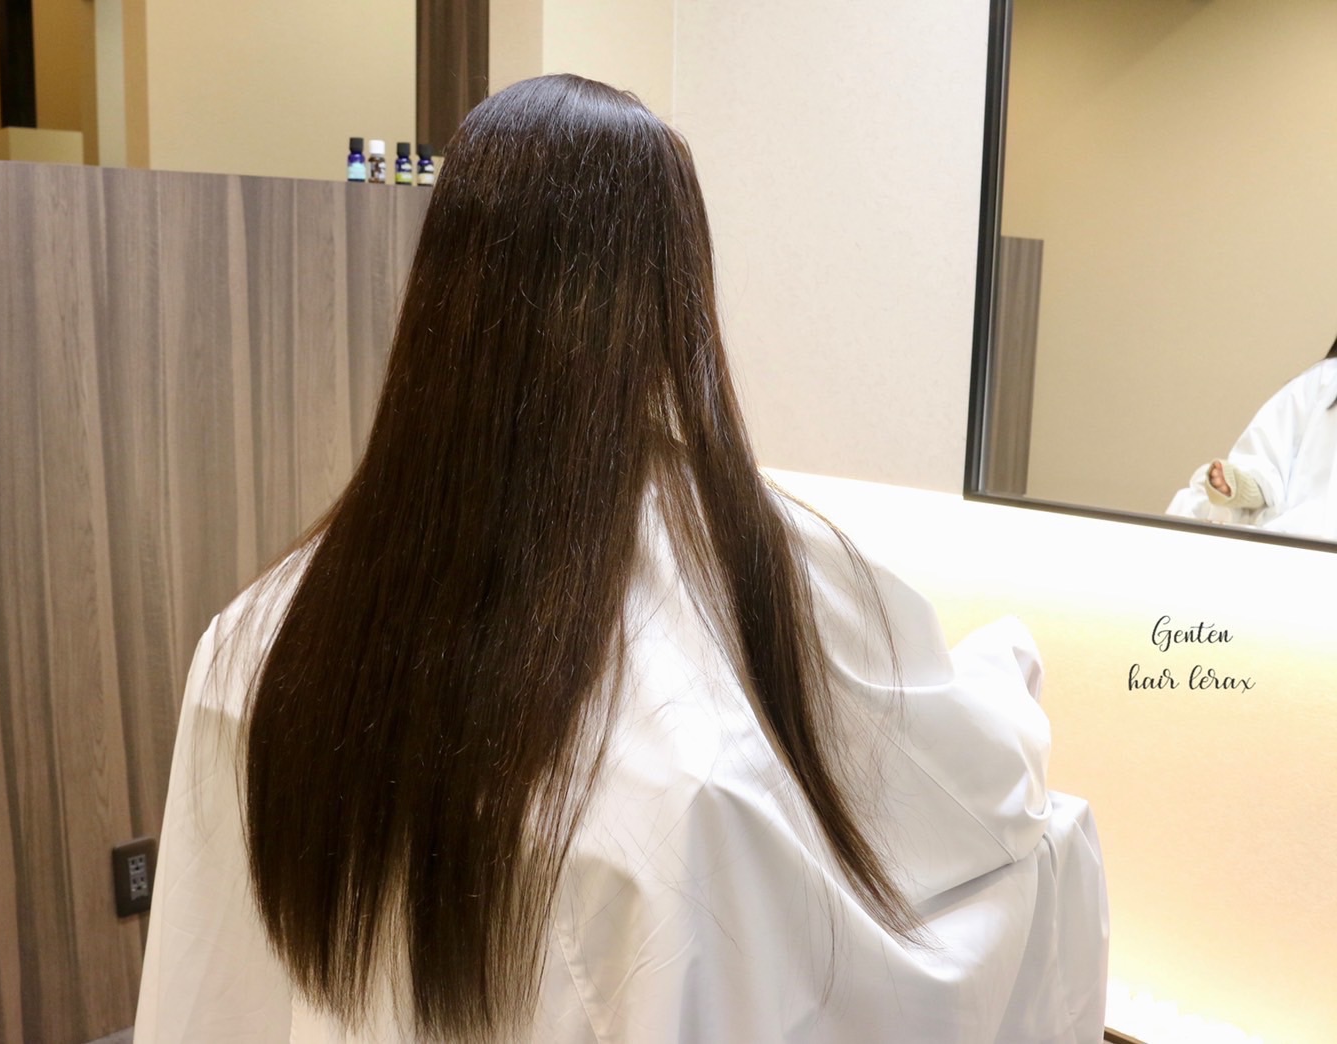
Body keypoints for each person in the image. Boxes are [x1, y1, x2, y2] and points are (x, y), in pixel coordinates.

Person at [134, 75, 1107, 1043]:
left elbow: (206, 989)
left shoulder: (256, 638)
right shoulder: (751, 556)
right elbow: (956, 779)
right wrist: (1009, 671)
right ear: (671, 293)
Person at [1166, 341, 1337, 538]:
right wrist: (1243, 485)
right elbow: (1268, 454)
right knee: (1196, 505)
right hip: (1304, 539)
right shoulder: (1321, 381)